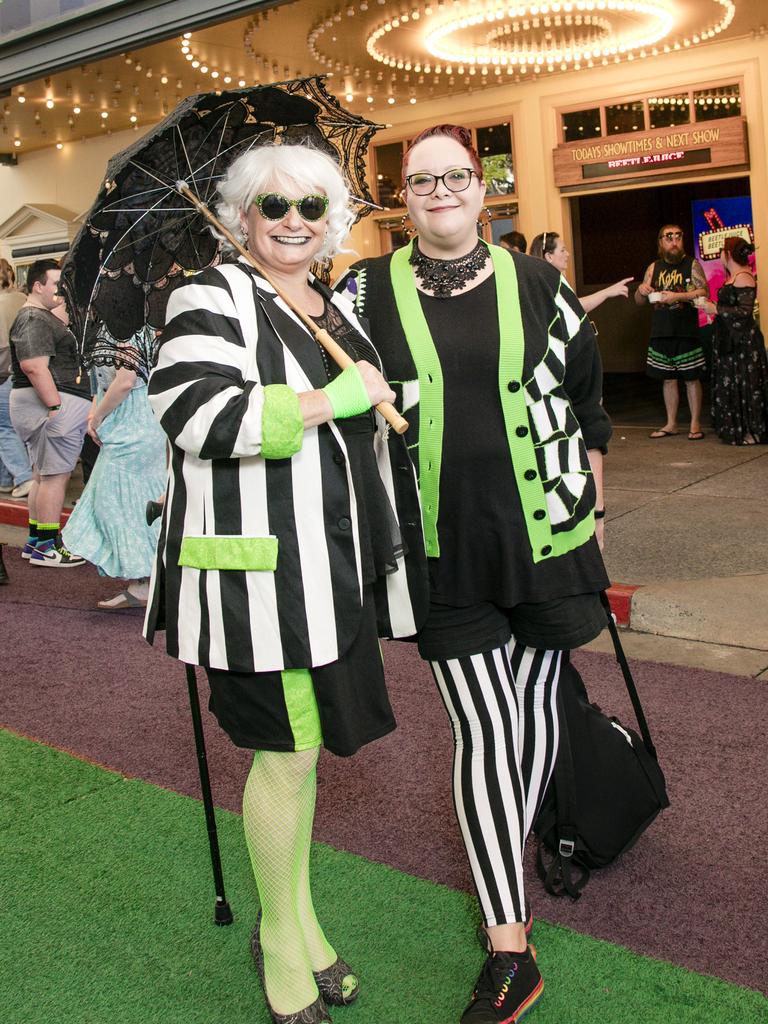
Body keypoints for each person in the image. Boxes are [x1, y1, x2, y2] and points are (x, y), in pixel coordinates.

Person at [144, 143, 427, 1024]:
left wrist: (386, 401)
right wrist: (326, 405)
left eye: (312, 203)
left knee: (305, 757)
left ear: (333, 215)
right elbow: (193, 413)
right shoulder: (210, 295)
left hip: (331, 569)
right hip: (256, 584)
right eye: (274, 205)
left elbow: (368, 413)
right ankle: (281, 945)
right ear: (240, 214)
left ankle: (302, 928)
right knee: (288, 753)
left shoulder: (329, 304)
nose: (294, 219)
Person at [336, 124, 611, 1024]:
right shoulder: (362, 296)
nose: (442, 191)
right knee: (489, 727)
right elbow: (328, 411)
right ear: (403, 198)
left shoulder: (538, 283)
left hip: (548, 542)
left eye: (457, 176)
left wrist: (595, 514)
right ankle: (509, 942)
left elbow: (586, 402)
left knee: (528, 715)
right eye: (423, 181)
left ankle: (505, 854)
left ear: (483, 189)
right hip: (439, 553)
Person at [61, 326, 167, 608]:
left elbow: (125, 381)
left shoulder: (129, 330)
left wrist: (96, 418)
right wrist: (96, 414)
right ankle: (150, 579)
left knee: (117, 501)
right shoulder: (114, 329)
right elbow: (103, 382)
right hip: (128, 419)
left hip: (134, 421)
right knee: (131, 501)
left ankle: (148, 578)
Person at [9, 259, 90, 566]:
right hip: (48, 404)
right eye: (55, 283)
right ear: (37, 286)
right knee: (55, 476)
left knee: (42, 475)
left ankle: (35, 542)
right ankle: (46, 546)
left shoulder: (40, 316)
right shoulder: (34, 318)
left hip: (42, 403)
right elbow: (33, 365)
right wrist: (55, 405)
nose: (60, 290)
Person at [634, 224, 708, 439]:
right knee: (667, 379)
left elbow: (704, 290)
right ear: (661, 242)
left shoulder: (691, 264)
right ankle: (671, 423)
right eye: (669, 237)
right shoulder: (653, 268)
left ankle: (695, 424)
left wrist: (678, 297)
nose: (674, 241)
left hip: (686, 331)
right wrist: (640, 290)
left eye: (678, 236)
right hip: (661, 331)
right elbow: (639, 301)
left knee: (691, 378)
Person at [700, 237, 767, 445]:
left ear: (728, 254)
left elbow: (744, 312)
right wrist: (712, 308)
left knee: (746, 384)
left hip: (743, 344)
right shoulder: (734, 276)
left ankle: (751, 431)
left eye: (722, 251)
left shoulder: (744, 277)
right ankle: (737, 428)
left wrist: (716, 309)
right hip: (729, 340)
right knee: (733, 382)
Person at [530, 231, 632, 313]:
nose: (568, 254)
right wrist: (607, 292)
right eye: (562, 250)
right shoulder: (545, 284)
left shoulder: (553, 280)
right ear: (549, 256)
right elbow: (574, 307)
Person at [0, 259, 33, 499]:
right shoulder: (22, 300)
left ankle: (23, 476)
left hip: (5, 374)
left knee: (5, 428)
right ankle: (4, 478)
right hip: (25, 372)